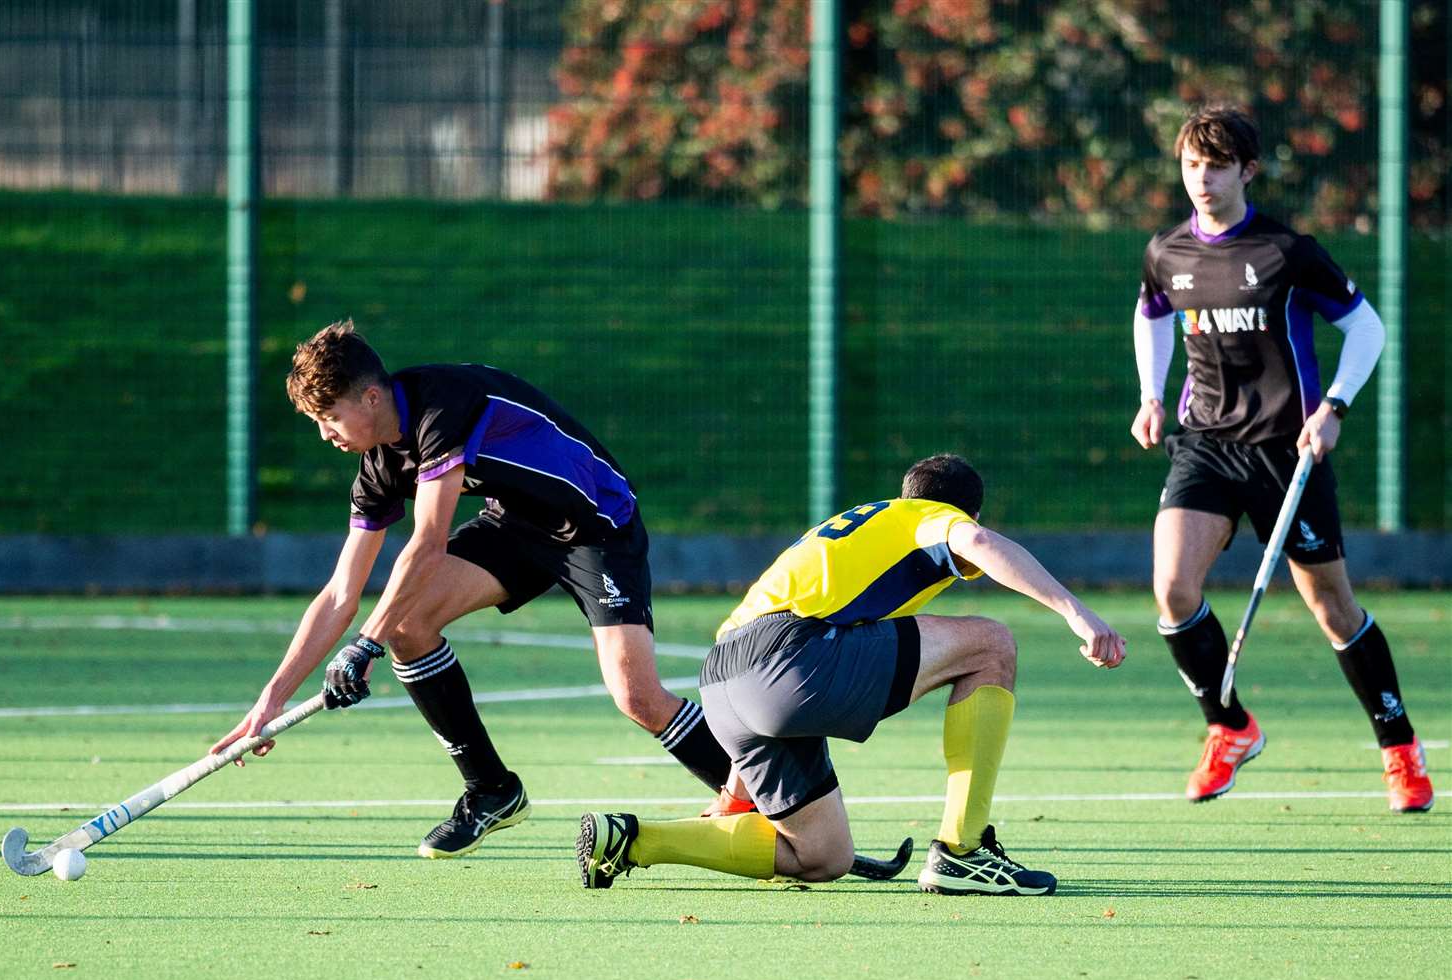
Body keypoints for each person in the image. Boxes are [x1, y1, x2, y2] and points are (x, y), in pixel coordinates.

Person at [211, 320, 737, 857]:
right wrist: (269, 701)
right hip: (513, 525)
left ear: (370, 397)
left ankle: (748, 792)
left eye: (329, 417)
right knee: (408, 626)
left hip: (597, 525)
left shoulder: (442, 408)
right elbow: (341, 591)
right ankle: (492, 790)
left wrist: (364, 645)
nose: (326, 434)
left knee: (637, 696)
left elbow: (427, 544)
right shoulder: (380, 464)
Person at [576, 454, 1126, 894]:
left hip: (722, 682)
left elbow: (750, 674)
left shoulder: (857, 530)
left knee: (821, 856)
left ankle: (633, 840)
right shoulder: (930, 519)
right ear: (966, 511)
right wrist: (1079, 615)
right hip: (788, 660)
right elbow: (978, 543)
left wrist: (735, 791)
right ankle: (964, 852)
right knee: (992, 644)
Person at [1129, 105, 1433, 813]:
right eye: (1190, 165)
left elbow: (1365, 328)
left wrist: (1333, 408)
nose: (1200, 179)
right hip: (1204, 443)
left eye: (1215, 166)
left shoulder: (1286, 251)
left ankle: (1399, 748)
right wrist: (1149, 396)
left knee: (1331, 608)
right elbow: (1150, 314)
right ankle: (1228, 727)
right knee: (1171, 589)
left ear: (1247, 170)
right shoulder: (1165, 251)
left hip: (1285, 451)